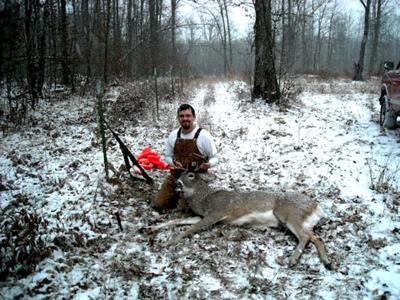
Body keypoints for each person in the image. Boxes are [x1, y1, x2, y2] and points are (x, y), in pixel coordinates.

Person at [152, 104, 218, 210]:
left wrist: (208, 164)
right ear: (178, 118)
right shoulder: (173, 135)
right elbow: (167, 156)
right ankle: (176, 195)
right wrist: (173, 163)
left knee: (184, 210)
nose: (185, 118)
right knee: (158, 204)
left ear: (193, 117)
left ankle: (190, 198)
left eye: (188, 115)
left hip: (195, 178)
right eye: (182, 116)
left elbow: (215, 157)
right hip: (177, 175)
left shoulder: (204, 135)